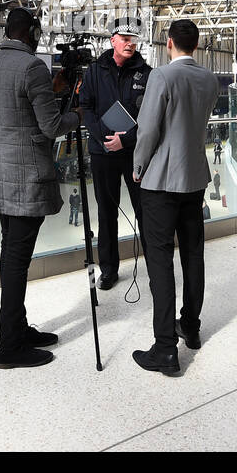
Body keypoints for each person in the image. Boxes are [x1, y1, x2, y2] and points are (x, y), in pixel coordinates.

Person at [0, 7, 80, 369]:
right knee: (16, 259)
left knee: (12, 252)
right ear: (32, 30)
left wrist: (50, 92)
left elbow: (18, 109)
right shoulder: (33, 66)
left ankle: (18, 329)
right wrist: (80, 114)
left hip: (1, 166)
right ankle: (10, 347)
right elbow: (52, 126)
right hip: (26, 173)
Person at [130, 19, 219, 376]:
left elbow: (149, 128)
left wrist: (137, 166)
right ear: (194, 45)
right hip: (194, 177)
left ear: (169, 43)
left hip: (162, 181)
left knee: (160, 260)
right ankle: (191, 328)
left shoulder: (162, 76)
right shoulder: (209, 79)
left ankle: (165, 347)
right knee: (193, 254)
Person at [78, 16, 151, 291]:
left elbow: (151, 116)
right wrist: (104, 137)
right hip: (102, 152)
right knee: (106, 213)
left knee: (145, 210)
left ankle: (155, 265)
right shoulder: (95, 71)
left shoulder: (146, 73)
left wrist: (127, 140)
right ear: (113, 41)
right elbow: (85, 106)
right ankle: (108, 270)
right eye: (125, 39)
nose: (130, 44)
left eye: (134, 39)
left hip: (135, 152)